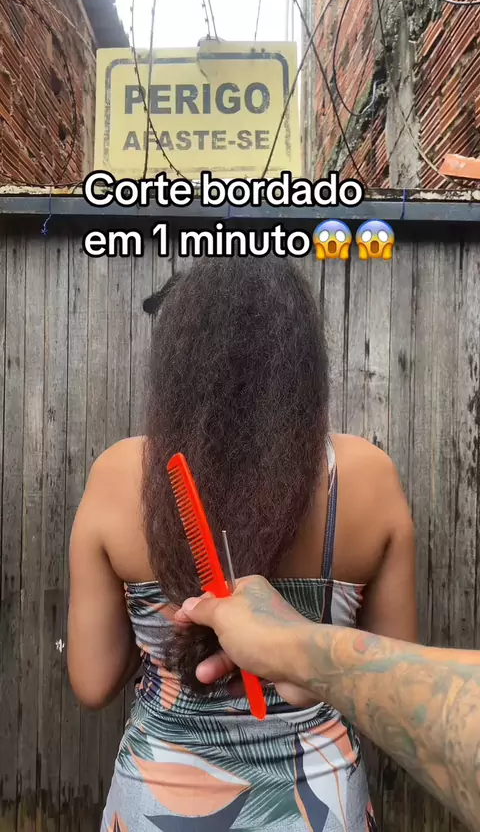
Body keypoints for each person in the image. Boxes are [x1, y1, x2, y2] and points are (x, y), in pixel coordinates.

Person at [67, 255, 417, 832]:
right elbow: (398, 693)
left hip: (159, 802)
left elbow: (93, 680)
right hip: (318, 803)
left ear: (175, 363)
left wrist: (153, 624)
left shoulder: (118, 475)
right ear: (303, 364)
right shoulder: (367, 477)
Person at [174, 576, 480, 832]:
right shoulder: (381, 520)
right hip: (327, 796)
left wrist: (292, 651)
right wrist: (299, 653)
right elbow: (401, 671)